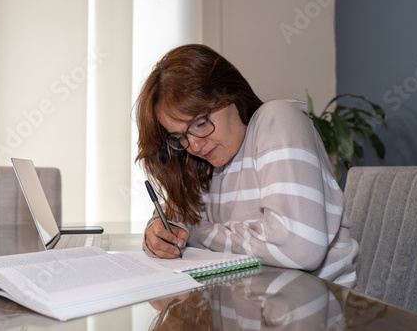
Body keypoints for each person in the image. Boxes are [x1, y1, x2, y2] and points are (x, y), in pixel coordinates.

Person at [135, 44, 358, 287]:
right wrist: (159, 233)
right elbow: (177, 216)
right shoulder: (203, 161)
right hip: (251, 303)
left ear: (231, 93)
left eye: (200, 123)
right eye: (179, 137)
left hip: (320, 309)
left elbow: (298, 248)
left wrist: (198, 232)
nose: (195, 145)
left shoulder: (278, 120)